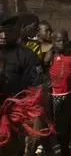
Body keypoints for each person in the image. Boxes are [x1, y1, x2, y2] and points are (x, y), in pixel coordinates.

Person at [0, 16, 50, 156]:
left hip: (16, 118)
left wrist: (35, 130)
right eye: (0, 31)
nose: (3, 35)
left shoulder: (27, 56)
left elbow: (38, 92)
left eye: (7, 31)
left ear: (15, 32)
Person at [43, 29, 71, 156]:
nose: (62, 43)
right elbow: (44, 67)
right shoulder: (50, 55)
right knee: (51, 124)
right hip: (52, 95)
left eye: (64, 40)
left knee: (65, 125)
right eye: (58, 41)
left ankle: (65, 150)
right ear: (53, 42)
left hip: (68, 95)